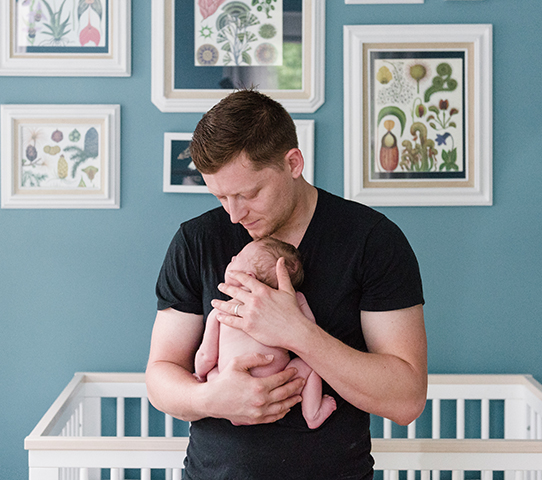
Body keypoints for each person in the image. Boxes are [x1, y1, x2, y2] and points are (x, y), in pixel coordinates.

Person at [146, 89, 427, 479]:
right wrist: (210, 398)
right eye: (221, 197)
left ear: (293, 163)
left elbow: (406, 401)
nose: (234, 214)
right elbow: (160, 376)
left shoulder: (372, 241)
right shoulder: (196, 242)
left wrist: (297, 332)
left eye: (249, 194)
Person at [193, 236, 337, 430]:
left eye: (237, 257)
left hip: (232, 391)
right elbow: (310, 330)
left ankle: (233, 414)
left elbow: (206, 356)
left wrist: (202, 376)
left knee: (213, 372)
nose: (232, 258)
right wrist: (299, 301)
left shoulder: (220, 311)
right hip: (278, 386)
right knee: (311, 364)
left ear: (248, 277)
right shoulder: (291, 302)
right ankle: (313, 413)